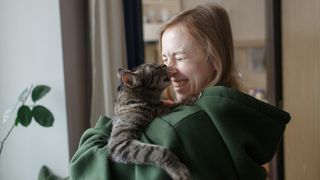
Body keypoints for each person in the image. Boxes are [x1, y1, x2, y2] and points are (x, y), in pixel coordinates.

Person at [69, 3, 290, 180]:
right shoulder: (228, 114)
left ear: (214, 60)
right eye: (165, 58)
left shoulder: (179, 127)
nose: (169, 70)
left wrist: (103, 128)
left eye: (180, 58)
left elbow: (84, 168)